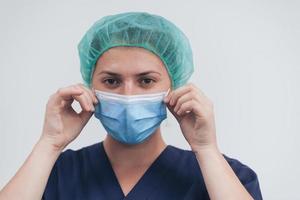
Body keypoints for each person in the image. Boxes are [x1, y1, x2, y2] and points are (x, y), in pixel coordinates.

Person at [0, 12, 263, 200]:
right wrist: (49, 143)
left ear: (174, 88)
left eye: (146, 81)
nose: (128, 95)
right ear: (90, 88)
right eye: (111, 81)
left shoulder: (223, 175)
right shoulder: (56, 173)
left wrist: (206, 149)